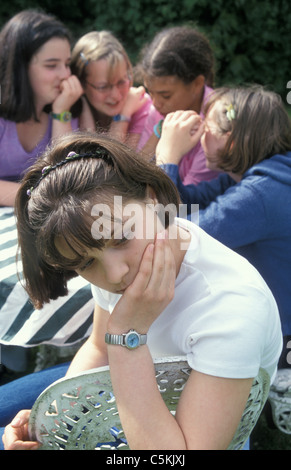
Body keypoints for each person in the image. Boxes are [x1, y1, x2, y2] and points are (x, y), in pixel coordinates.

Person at [1, 131, 282, 450]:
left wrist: (126, 336)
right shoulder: (139, 244)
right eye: (85, 264)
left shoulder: (232, 307)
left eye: (121, 238)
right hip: (129, 383)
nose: (115, 273)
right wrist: (52, 421)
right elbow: (99, 348)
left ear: (151, 199)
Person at [156, 85, 291, 368]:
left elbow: (174, 233)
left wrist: (167, 157)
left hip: (279, 344)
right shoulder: (260, 175)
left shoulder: (259, 195)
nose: (202, 133)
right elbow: (186, 205)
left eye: (210, 126)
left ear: (231, 140)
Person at [0, 9, 84, 206]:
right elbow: (57, 193)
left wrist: (61, 114)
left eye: (67, 64)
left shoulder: (66, 106)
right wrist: (39, 195)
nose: (65, 74)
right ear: (20, 68)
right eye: (51, 65)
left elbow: (67, 177)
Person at [135, 25, 220, 184]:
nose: (155, 103)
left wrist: (168, 152)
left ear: (197, 84)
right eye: (150, 92)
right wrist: (159, 133)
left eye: (165, 95)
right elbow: (136, 171)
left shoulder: (216, 126)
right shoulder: (158, 113)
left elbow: (186, 200)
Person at [70, 31, 151, 149]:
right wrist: (85, 113)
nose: (116, 96)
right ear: (81, 83)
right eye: (103, 87)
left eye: (122, 82)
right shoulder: (68, 110)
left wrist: (123, 116)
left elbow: (118, 164)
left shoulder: (142, 106)